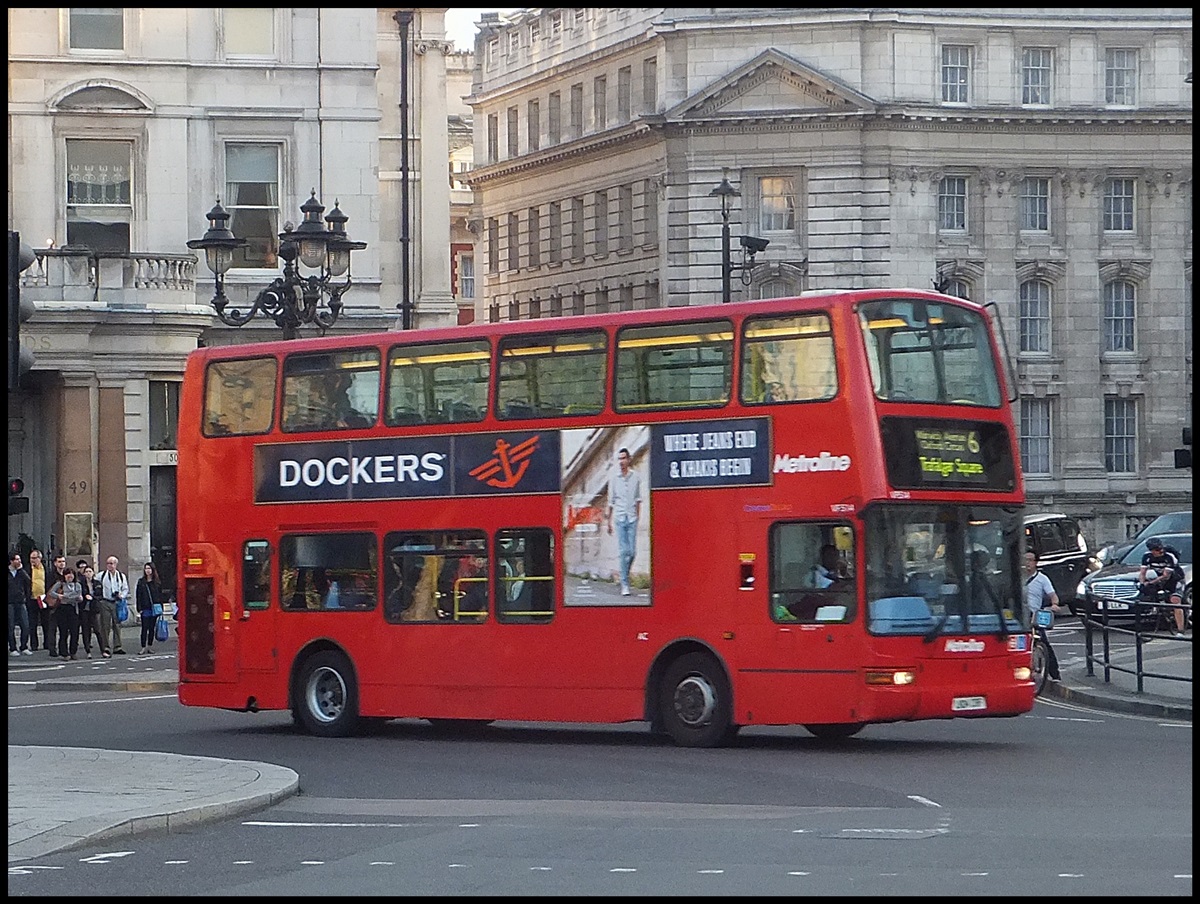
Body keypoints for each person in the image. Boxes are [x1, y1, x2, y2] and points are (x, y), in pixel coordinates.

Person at [606, 447, 642, 596]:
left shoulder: (636, 477)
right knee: (623, 552)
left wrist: (638, 517)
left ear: (629, 459)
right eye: (619, 459)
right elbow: (610, 501)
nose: (621, 462)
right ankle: (625, 585)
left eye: (623, 458)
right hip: (619, 518)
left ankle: (623, 576)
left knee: (632, 552)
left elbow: (638, 498)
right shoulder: (614, 479)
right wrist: (608, 521)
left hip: (632, 517)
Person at [1024, 551, 1063, 681]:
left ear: (1036, 563)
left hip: (1034, 614)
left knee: (1043, 642)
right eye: (1025, 560)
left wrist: (1055, 605)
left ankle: (1054, 673)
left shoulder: (1042, 579)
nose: (1027, 563)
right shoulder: (1017, 577)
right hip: (1020, 614)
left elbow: (1053, 596)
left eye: (1030, 560)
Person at [1138, 537, 1185, 636]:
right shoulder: (1147, 557)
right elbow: (1142, 573)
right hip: (1161, 579)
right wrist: (1142, 583)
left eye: (1161, 548)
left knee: (1175, 601)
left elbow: (1165, 576)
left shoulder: (1169, 556)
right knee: (1148, 593)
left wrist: (1151, 582)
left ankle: (1180, 630)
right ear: (1151, 551)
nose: (1161, 551)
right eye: (1157, 550)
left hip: (1176, 579)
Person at [48, 566, 84, 660]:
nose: (70, 576)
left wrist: (76, 598)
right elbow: (51, 592)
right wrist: (59, 596)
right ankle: (64, 652)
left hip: (73, 609)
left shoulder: (77, 585)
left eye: (71, 574)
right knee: (63, 632)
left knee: (74, 632)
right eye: (67, 574)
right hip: (62, 609)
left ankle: (73, 652)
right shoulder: (60, 584)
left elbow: (78, 595)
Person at [97, 555, 130, 657]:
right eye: (108, 563)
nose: (109, 566)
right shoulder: (101, 575)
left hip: (117, 602)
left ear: (116, 564)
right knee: (105, 625)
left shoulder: (121, 576)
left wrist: (122, 595)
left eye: (111, 563)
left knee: (117, 625)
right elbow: (95, 585)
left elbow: (125, 588)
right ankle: (106, 646)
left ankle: (117, 646)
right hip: (105, 602)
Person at [23, 548, 50, 652]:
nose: (32, 560)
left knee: (45, 622)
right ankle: (34, 644)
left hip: (43, 598)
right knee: (32, 623)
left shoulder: (46, 569)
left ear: (40, 558)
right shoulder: (27, 570)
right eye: (31, 558)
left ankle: (47, 643)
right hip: (32, 598)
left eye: (34, 558)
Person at [134, 561, 164, 654]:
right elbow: (138, 595)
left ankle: (150, 646)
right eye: (146, 568)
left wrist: (161, 607)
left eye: (149, 568)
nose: (147, 570)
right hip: (145, 608)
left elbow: (160, 595)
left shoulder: (157, 582)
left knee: (152, 628)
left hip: (154, 608)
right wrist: (139, 608)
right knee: (144, 628)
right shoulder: (141, 582)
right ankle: (143, 646)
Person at [42, 553, 68, 658]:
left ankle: (63, 649)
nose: (62, 564)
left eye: (63, 562)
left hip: (64, 605)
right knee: (52, 628)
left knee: (64, 629)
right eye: (59, 562)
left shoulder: (67, 574)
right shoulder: (50, 575)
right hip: (53, 605)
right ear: (55, 563)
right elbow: (48, 589)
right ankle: (52, 649)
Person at [75, 560, 102, 658]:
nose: (88, 573)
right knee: (86, 631)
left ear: (93, 573)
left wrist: (93, 597)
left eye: (90, 571)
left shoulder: (97, 583)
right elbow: (79, 594)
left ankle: (103, 650)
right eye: (86, 572)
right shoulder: (80, 583)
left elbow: (100, 595)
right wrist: (83, 596)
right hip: (84, 609)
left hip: (94, 609)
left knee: (97, 630)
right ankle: (88, 651)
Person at [8, 550, 32, 656]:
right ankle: (13, 647)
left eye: (19, 559)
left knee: (25, 625)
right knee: (10, 626)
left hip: (21, 601)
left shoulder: (21, 572)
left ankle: (24, 646)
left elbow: (28, 582)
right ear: (11, 561)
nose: (19, 561)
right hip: (9, 602)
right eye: (17, 559)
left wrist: (21, 570)